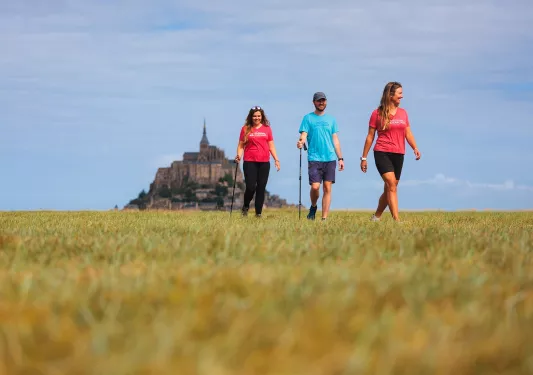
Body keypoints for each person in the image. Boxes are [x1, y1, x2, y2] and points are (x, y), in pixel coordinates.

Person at [360, 81, 421, 222]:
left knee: (389, 188)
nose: (402, 96)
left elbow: (408, 133)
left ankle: (376, 217)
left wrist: (415, 148)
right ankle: (397, 220)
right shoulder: (377, 113)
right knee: (392, 185)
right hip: (382, 152)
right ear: (390, 95)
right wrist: (364, 158)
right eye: (399, 93)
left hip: (399, 153)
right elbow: (370, 136)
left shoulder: (403, 113)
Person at [296, 92, 344, 221]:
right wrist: (301, 141)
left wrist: (340, 158)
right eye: (319, 101)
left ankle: (324, 219)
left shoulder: (331, 119)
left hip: (330, 158)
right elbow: (304, 134)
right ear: (314, 102)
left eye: (323, 100)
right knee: (315, 186)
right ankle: (313, 206)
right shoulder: (308, 118)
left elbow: (335, 140)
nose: (321, 103)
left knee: (327, 187)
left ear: (326, 102)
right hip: (314, 157)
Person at [235, 106, 280, 218]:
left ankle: (258, 213)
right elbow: (241, 145)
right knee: (250, 187)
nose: (257, 118)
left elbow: (271, 146)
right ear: (251, 117)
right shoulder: (245, 129)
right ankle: (245, 206)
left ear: (262, 116)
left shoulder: (267, 129)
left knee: (261, 187)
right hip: (250, 161)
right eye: (254, 116)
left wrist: (276, 160)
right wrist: (239, 156)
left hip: (264, 162)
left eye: (259, 116)